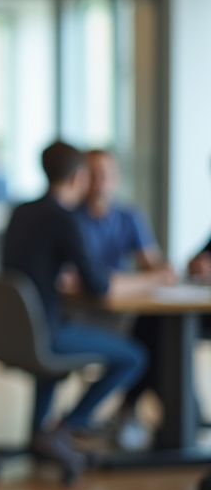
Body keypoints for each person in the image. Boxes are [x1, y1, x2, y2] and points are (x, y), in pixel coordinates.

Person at [1, 141, 148, 472]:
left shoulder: (21, 210)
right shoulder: (64, 218)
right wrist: (151, 282)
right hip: (46, 331)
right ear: (80, 177)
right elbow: (99, 285)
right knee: (135, 357)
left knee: (55, 359)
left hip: (18, 330)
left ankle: (41, 434)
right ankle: (62, 430)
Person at [75, 149, 177, 449]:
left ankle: (137, 412)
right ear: (81, 178)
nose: (100, 182)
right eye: (93, 174)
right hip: (85, 313)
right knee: (147, 343)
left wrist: (163, 270)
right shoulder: (71, 219)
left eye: (106, 175)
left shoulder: (128, 215)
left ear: (116, 179)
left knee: (155, 329)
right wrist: (149, 279)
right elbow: (87, 284)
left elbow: (152, 263)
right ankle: (175, 415)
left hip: (120, 310)